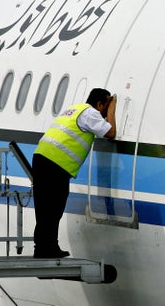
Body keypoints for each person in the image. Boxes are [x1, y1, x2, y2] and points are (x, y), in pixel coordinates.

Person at [32, 88, 117, 258]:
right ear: (99, 104)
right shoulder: (91, 113)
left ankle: (42, 248)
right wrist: (113, 110)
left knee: (43, 209)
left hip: (41, 158)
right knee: (54, 208)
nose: (106, 111)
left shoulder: (76, 109)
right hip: (56, 165)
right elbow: (111, 132)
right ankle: (49, 248)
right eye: (106, 106)